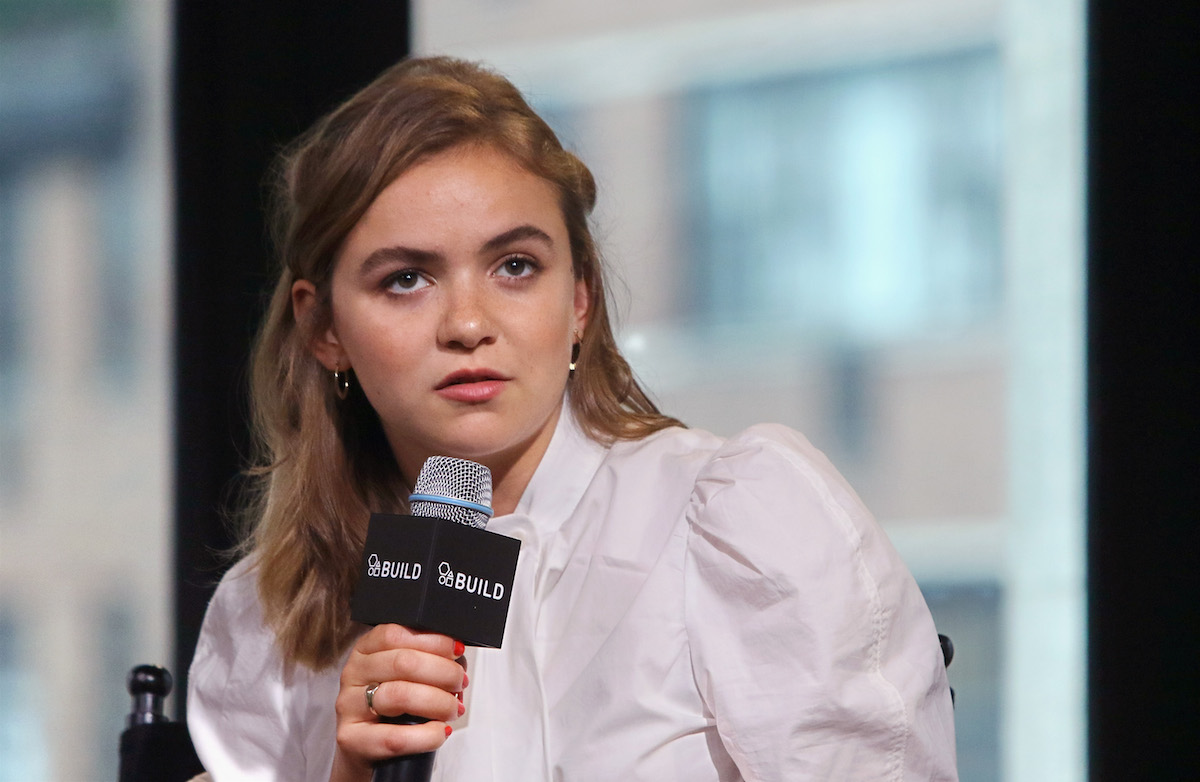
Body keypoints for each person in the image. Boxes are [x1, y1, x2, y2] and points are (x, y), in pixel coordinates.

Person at [187, 55, 958, 782]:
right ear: (324, 330)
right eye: (406, 279)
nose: (467, 323)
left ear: (580, 298)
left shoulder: (734, 519)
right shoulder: (271, 611)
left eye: (515, 267)